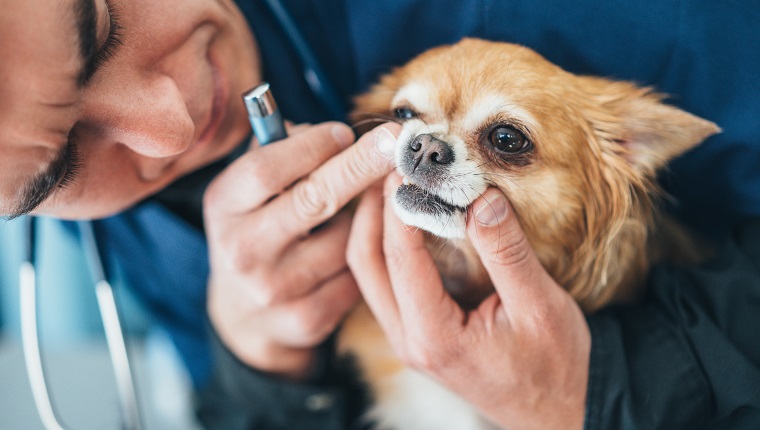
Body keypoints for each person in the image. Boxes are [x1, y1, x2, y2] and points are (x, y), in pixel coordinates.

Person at [1, 0, 759, 429]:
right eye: (60, 163)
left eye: (99, 30)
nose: (172, 125)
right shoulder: (122, 230)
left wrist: (605, 391)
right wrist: (261, 375)